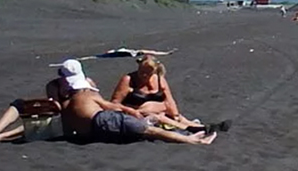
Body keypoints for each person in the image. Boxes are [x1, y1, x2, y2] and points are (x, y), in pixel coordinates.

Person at [53, 60, 216, 145]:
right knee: (149, 130)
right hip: (104, 120)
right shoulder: (86, 94)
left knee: (149, 127)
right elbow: (112, 104)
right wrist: (130, 110)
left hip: (95, 128)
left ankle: (190, 132)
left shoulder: (65, 99)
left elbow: (67, 126)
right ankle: (193, 139)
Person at [110, 55, 201, 129]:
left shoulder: (159, 79)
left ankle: (197, 127)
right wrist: (131, 111)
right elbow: (114, 103)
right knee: (157, 117)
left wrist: (175, 114)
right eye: (141, 72)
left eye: (148, 73)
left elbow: (169, 100)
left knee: (177, 117)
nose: (144, 75)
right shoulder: (128, 80)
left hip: (160, 111)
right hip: (137, 114)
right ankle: (186, 128)